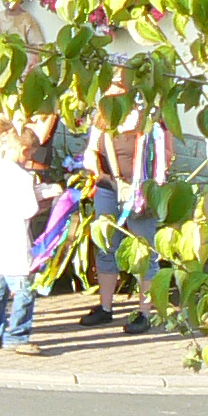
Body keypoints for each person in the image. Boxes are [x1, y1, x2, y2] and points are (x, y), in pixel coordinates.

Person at [84, 73, 169, 331]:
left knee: (145, 249)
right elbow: (91, 151)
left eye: (117, 86)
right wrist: (97, 172)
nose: (111, 90)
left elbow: (166, 154)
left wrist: (147, 186)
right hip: (109, 188)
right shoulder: (104, 118)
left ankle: (145, 312)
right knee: (106, 246)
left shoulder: (149, 120)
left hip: (140, 191)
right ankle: (106, 307)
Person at [0, 115, 56, 355]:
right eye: (29, 154)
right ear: (23, 149)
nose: (29, 159)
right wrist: (46, 201)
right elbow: (28, 209)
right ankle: (17, 335)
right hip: (13, 241)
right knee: (22, 291)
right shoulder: (22, 177)